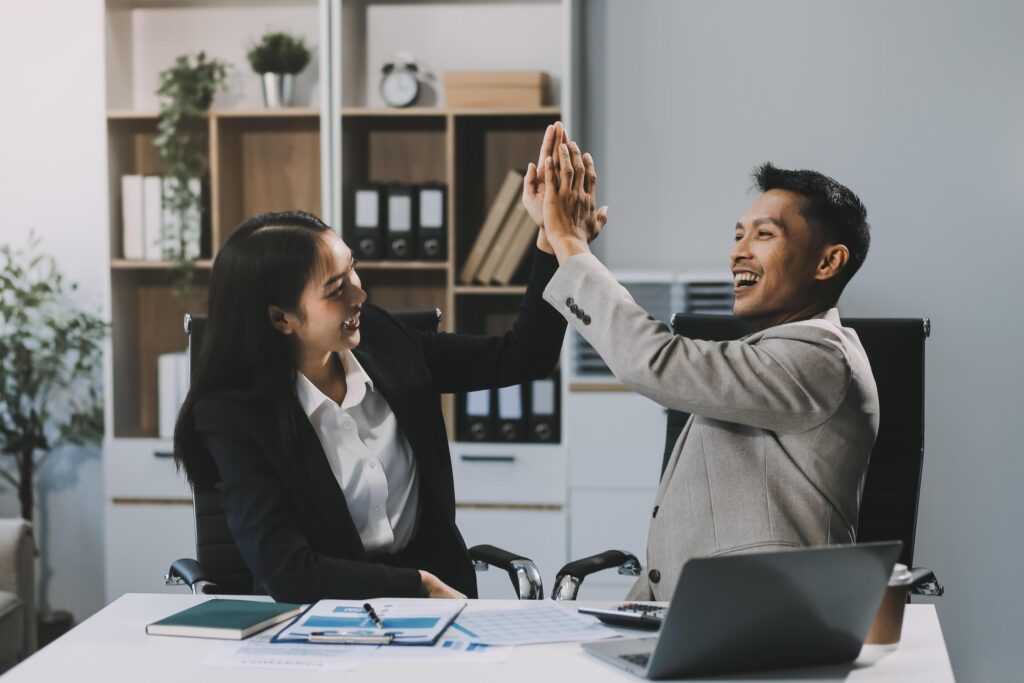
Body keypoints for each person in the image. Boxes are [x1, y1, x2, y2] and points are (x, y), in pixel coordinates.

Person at [172, 202, 584, 603]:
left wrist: (553, 245)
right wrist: (415, 585)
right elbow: (287, 571)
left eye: (352, 268)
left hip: (440, 611)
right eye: (336, 288)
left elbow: (525, 356)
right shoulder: (231, 417)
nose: (360, 294)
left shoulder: (385, 342)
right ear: (282, 318)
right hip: (318, 619)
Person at [531, 133, 879, 601]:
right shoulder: (770, 353)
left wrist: (571, 243)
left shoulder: (821, 358)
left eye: (765, 234)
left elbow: (653, 361)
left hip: (767, 624)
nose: (738, 251)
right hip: (700, 617)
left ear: (828, 261)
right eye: (738, 234)